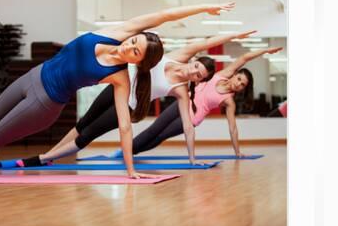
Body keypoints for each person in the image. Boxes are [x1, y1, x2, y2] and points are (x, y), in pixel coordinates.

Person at [0, 2, 235, 179]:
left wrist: (131, 168)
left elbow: (125, 125)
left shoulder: (120, 78)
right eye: (133, 42)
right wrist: (204, 7)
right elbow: (164, 15)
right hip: (32, 76)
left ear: (139, 63)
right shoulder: (116, 32)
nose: (129, 48)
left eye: (135, 52)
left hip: (44, 102)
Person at [17, 30, 257, 167]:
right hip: (116, 87)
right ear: (193, 61)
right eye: (196, 67)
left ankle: (42, 158)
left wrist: (192, 158)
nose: (193, 72)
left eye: (198, 76)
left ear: (199, 80)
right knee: (82, 123)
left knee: (89, 134)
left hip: (129, 106)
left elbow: (187, 125)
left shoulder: (181, 91)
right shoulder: (178, 55)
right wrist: (235, 35)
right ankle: (52, 154)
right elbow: (207, 42)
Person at [107, 46, 283, 159]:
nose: (238, 84)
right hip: (181, 104)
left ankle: (130, 152)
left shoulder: (229, 101)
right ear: (234, 75)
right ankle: (123, 151)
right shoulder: (221, 74)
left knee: (161, 136)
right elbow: (244, 58)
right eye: (239, 79)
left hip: (193, 118)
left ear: (243, 89)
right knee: (153, 129)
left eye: (242, 85)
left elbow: (233, 128)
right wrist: (265, 51)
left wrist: (237, 152)